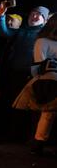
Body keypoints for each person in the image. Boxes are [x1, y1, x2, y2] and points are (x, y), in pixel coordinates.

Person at [0, 4, 50, 141]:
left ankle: (26, 136)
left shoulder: (44, 34)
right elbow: (5, 32)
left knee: (29, 106)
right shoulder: (22, 30)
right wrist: (1, 16)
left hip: (32, 75)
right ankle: (12, 134)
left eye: (38, 14)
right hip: (14, 72)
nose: (34, 16)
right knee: (13, 103)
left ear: (44, 19)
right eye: (33, 13)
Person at [12, 14, 57, 156]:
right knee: (47, 113)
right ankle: (37, 144)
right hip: (48, 81)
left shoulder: (42, 41)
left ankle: (38, 144)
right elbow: (38, 65)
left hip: (47, 79)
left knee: (47, 114)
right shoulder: (42, 41)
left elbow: (37, 66)